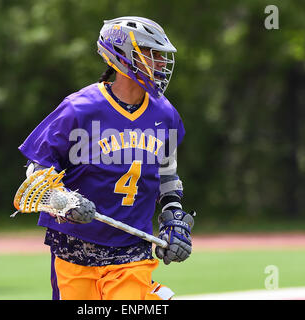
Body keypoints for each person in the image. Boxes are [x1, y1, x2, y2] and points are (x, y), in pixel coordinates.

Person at [18, 16, 194, 300]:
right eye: (153, 53)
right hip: (74, 248)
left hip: (131, 250)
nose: (161, 62)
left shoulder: (165, 114)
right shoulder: (80, 109)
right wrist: (63, 200)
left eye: (162, 55)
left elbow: (166, 173)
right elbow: (37, 167)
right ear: (124, 56)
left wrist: (173, 216)